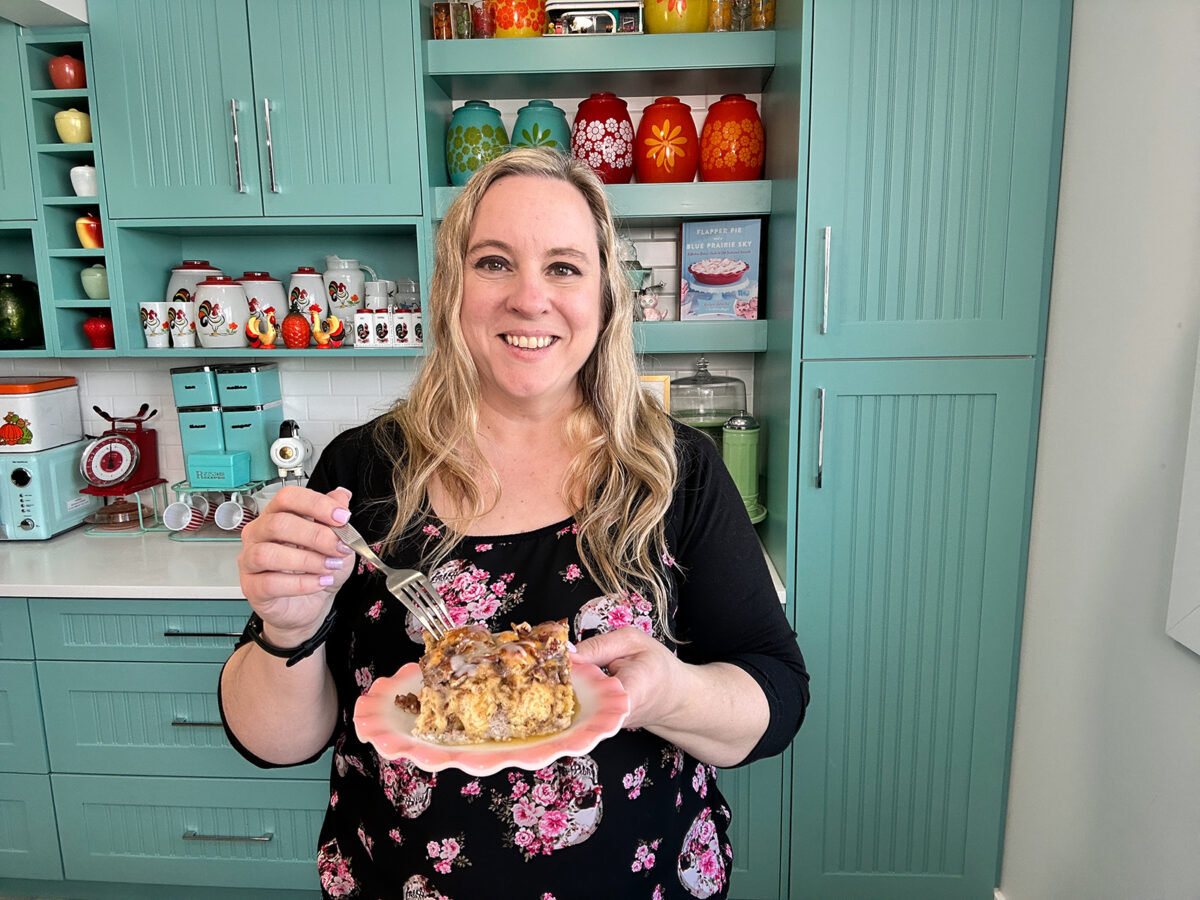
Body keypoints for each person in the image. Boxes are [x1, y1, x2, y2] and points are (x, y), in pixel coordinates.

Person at [219, 147, 808, 900]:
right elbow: (274, 742)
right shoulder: (363, 470)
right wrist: (287, 630)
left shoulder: (675, 470)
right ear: (452, 287)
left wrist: (669, 693)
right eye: (495, 262)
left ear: (605, 296)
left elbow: (776, 698)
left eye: (564, 267)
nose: (530, 298)